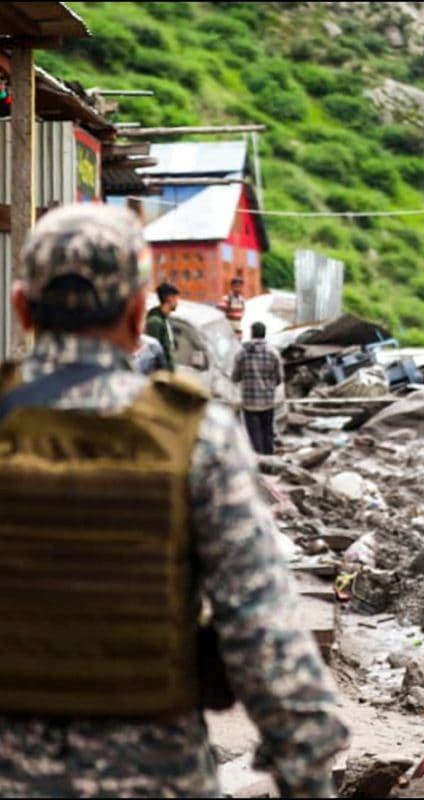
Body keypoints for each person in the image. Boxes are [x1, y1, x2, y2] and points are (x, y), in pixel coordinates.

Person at [0, 204, 348, 797]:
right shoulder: (196, 436)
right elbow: (263, 632)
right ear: (139, 316)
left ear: (22, 309)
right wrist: (305, 770)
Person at [233, 321, 284, 456]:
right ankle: (270, 462)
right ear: (264, 334)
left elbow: (235, 377)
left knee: (254, 437)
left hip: (250, 404)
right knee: (268, 434)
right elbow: (279, 378)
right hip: (267, 402)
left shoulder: (242, 353)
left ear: (252, 334)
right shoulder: (273, 353)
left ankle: (259, 466)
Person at [144, 280, 180, 371]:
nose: (177, 302)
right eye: (176, 298)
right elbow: (153, 356)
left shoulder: (164, 319)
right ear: (169, 298)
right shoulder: (155, 322)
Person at [218, 276, 246, 340]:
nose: (238, 288)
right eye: (236, 286)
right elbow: (220, 315)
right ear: (232, 287)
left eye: (240, 286)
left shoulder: (241, 300)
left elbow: (240, 316)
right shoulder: (227, 299)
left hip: (238, 332)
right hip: (228, 332)